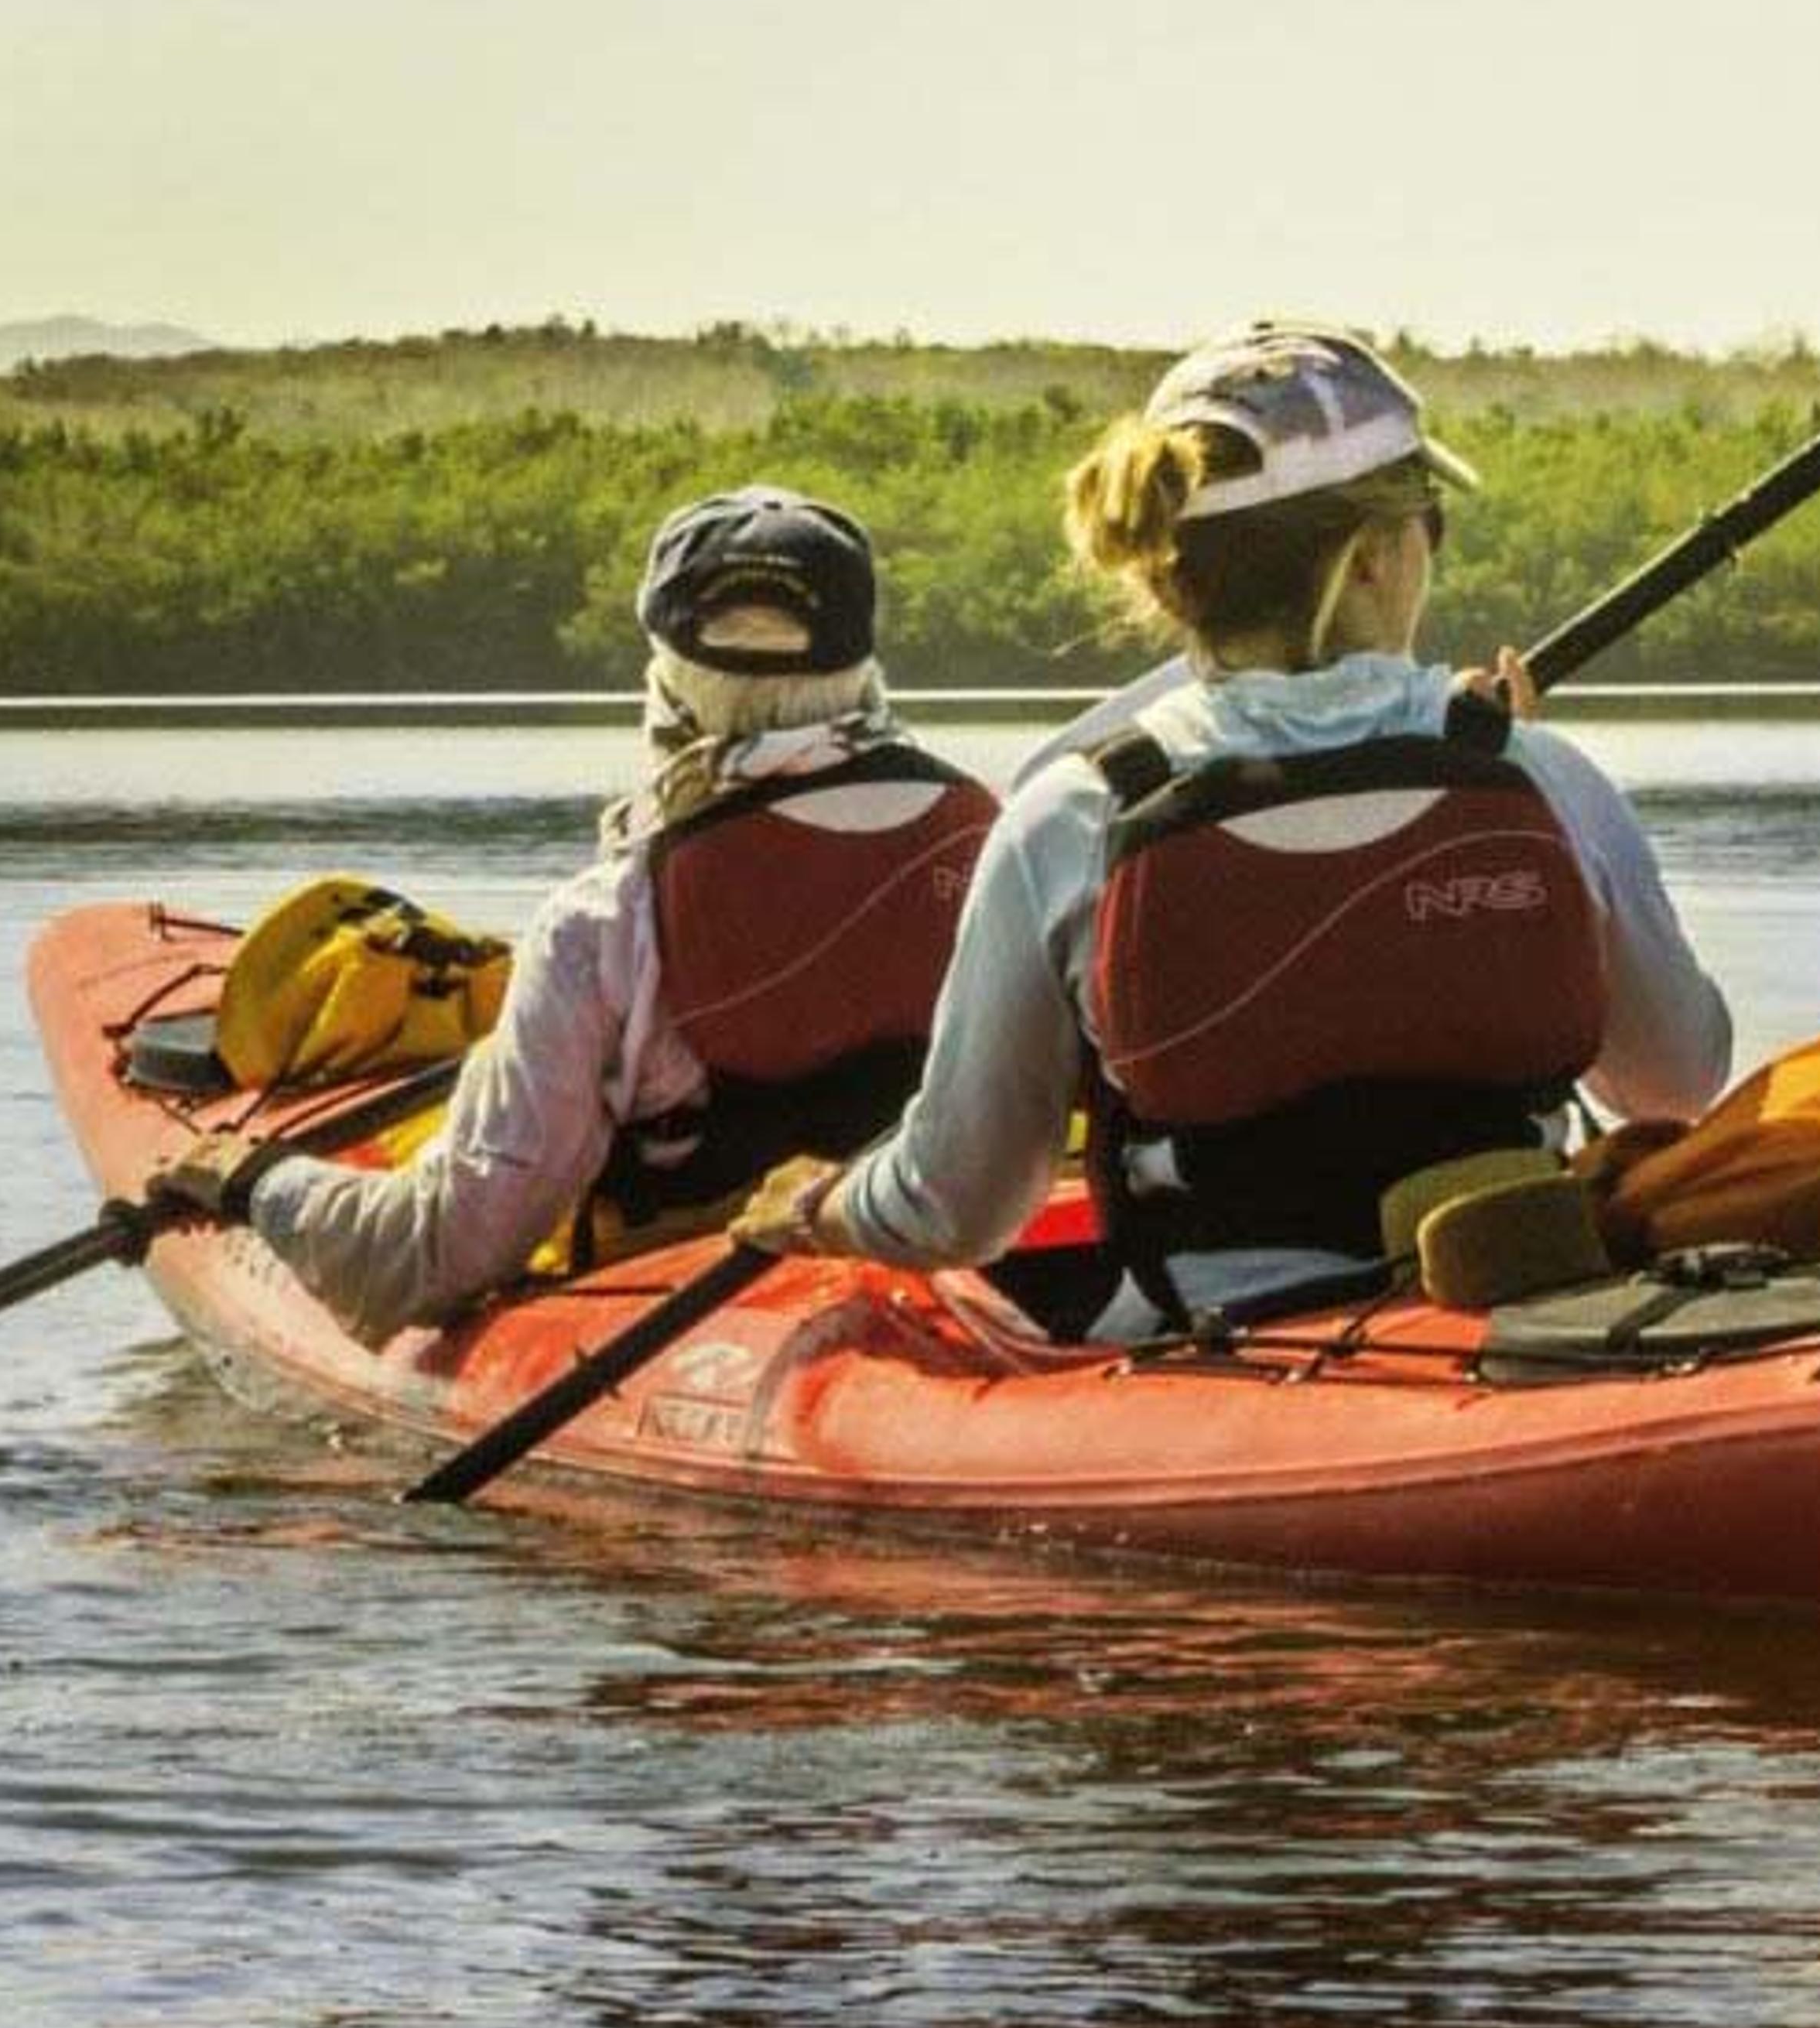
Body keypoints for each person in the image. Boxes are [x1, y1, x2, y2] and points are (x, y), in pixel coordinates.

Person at [732, 320, 1733, 1334]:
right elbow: (1674, 1079)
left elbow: (958, 1203)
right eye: (1430, 522)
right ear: (1380, 558)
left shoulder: (1074, 815)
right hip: (1513, 1304)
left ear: (1169, 578)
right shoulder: (1539, 776)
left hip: (1202, 1333)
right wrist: (1502, 788)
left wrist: (827, 1206)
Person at [153, 484, 999, 1342]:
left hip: (711, 1317)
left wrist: (257, 1183)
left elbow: (443, 1252)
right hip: (978, 1281)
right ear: (863, 667)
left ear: (669, 686)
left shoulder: (605, 921)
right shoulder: (1001, 842)